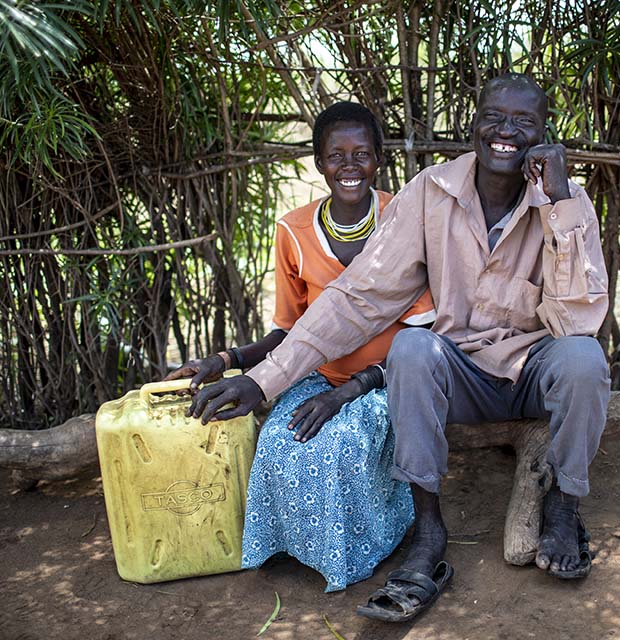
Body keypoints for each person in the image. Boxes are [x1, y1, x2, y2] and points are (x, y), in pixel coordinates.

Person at [188, 74, 610, 621]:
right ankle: (429, 534)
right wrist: (262, 377)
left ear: (544, 135)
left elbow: (578, 321)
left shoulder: (568, 204)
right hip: (458, 375)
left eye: (524, 122)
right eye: (495, 117)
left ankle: (563, 505)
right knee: (412, 348)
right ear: (474, 124)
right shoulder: (431, 192)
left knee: (583, 359)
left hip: (534, 369)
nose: (507, 132)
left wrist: (557, 204)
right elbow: (358, 297)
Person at [166, 101, 435, 592]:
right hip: (316, 374)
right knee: (278, 441)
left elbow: (424, 333)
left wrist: (346, 394)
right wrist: (227, 360)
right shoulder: (293, 229)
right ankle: (291, 545)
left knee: (339, 447)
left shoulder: (404, 218)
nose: (349, 167)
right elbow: (289, 332)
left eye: (362, 155)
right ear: (318, 162)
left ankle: (355, 549)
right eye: (336, 156)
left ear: (379, 159)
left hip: (389, 380)